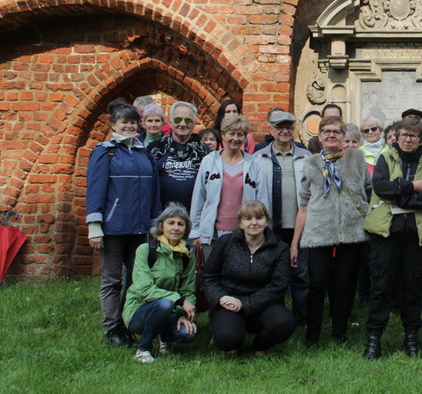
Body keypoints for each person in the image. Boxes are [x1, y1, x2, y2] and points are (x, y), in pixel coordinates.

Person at [363, 118, 422, 359]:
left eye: (414, 136)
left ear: (421, 140)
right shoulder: (385, 158)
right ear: (396, 137)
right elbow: (381, 188)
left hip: (414, 236)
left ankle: (411, 339)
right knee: (381, 288)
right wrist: (411, 186)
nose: (409, 140)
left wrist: (401, 197)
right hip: (386, 235)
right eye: (405, 135)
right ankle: (374, 339)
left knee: (411, 289)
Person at [86, 100, 161, 347]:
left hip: (139, 228)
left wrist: (154, 222)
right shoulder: (105, 152)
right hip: (113, 228)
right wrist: (95, 226)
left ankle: (128, 322)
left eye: (132, 122)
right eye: (124, 123)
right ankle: (112, 328)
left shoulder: (144, 153)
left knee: (135, 278)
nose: (129, 126)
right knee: (112, 280)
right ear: (113, 125)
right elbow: (95, 190)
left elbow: (154, 191)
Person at [290, 116, 371, 347]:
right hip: (319, 231)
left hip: (351, 231)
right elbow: (303, 205)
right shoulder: (311, 163)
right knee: (317, 284)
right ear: (320, 136)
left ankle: (339, 333)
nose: (331, 135)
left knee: (344, 284)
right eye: (326, 131)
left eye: (336, 131)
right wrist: (295, 243)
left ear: (344, 136)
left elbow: (369, 189)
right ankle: (312, 336)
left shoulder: (356, 158)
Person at [202, 200, 296, 355]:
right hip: (229, 303)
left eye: (259, 218)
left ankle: (259, 346)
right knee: (227, 338)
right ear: (240, 223)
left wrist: (245, 303)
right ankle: (230, 338)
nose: (254, 223)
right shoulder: (226, 243)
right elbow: (209, 277)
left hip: (264, 305)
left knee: (284, 323)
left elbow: (278, 286)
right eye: (248, 219)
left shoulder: (280, 249)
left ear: (266, 222)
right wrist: (221, 298)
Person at [254, 111, 311, 326]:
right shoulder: (259, 157)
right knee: (272, 277)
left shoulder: (306, 156)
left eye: (288, 126)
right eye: (280, 127)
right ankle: (275, 319)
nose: (285, 131)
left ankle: (301, 320)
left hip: (299, 226)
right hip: (270, 228)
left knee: (300, 275)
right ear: (271, 130)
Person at [123, 203, 198, 363]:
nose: (176, 228)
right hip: (139, 311)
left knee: (188, 333)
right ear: (161, 226)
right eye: (171, 223)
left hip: (169, 310)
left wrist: (184, 315)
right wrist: (178, 300)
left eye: (180, 224)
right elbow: (144, 289)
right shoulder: (146, 250)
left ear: (186, 229)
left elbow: (188, 289)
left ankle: (165, 340)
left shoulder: (187, 254)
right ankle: (143, 348)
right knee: (164, 304)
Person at [189, 115, 263, 256]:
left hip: (244, 235)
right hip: (212, 234)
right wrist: (196, 232)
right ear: (223, 135)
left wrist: (260, 232)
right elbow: (199, 197)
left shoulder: (254, 164)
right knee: (211, 276)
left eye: (240, 134)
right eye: (231, 133)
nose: (235, 138)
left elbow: (262, 200)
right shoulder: (209, 161)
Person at [148, 101, 207, 213]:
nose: (183, 124)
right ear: (170, 122)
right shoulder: (155, 148)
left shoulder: (203, 150)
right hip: (162, 216)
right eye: (178, 120)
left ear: (194, 124)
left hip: (195, 216)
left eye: (188, 120)